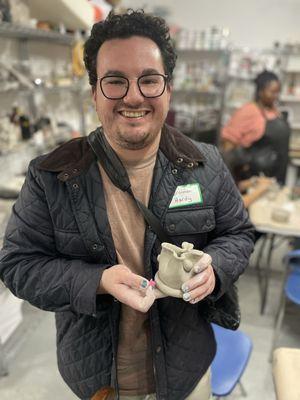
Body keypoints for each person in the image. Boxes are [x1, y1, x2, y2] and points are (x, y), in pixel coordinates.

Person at [0, 10, 254, 400]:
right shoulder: (51, 175)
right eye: (115, 81)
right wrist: (97, 281)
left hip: (187, 373)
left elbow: (237, 233)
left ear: (168, 90)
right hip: (99, 381)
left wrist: (215, 268)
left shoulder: (206, 164)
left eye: (149, 81)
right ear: (93, 92)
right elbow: (18, 266)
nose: (133, 96)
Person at [221, 70, 291, 185]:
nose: (276, 96)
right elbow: (228, 145)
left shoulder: (274, 111)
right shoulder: (247, 111)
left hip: (277, 176)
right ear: (260, 91)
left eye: (278, 92)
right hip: (255, 179)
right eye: (272, 92)